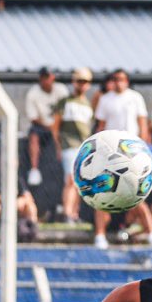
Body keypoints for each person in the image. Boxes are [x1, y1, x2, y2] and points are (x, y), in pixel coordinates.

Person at [92, 69, 152, 251]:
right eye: (115, 79)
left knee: (136, 196)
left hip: (131, 155)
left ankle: (151, 234)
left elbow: (142, 125)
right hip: (110, 154)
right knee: (102, 193)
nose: (118, 82)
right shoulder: (105, 99)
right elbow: (100, 126)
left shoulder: (135, 98)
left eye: (122, 79)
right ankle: (100, 235)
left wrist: (143, 151)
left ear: (127, 81)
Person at [53, 68, 97, 223]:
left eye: (85, 82)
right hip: (68, 145)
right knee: (70, 179)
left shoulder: (87, 105)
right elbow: (56, 126)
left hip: (83, 147)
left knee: (80, 181)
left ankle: (74, 214)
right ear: (74, 82)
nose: (82, 85)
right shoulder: (65, 102)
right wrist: (58, 146)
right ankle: (67, 213)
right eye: (79, 81)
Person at [23, 67, 60, 189]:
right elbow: (33, 117)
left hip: (59, 125)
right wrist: (48, 126)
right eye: (43, 78)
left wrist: (55, 126)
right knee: (34, 135)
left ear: (52, 77)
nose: (46, 80)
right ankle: (34, 169)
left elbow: (64, 112)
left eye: (48, 77)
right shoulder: (33, 93)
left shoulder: (61, 90)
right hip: (41, 127)